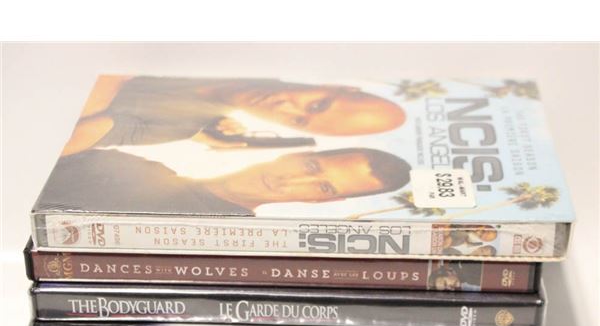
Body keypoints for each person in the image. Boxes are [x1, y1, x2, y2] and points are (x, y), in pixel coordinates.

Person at [62, 76, 407, 155]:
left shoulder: (180, 126)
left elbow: (62, 142)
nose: (284, 109)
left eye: (297, 121)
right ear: (337, 85)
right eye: (317, 104)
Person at [39, 147, 412, 215]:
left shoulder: (234, 243)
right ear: (294, 154)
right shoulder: (130, 166)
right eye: (311, 166)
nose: (292, 180)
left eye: (323, 186)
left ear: (323, 201)